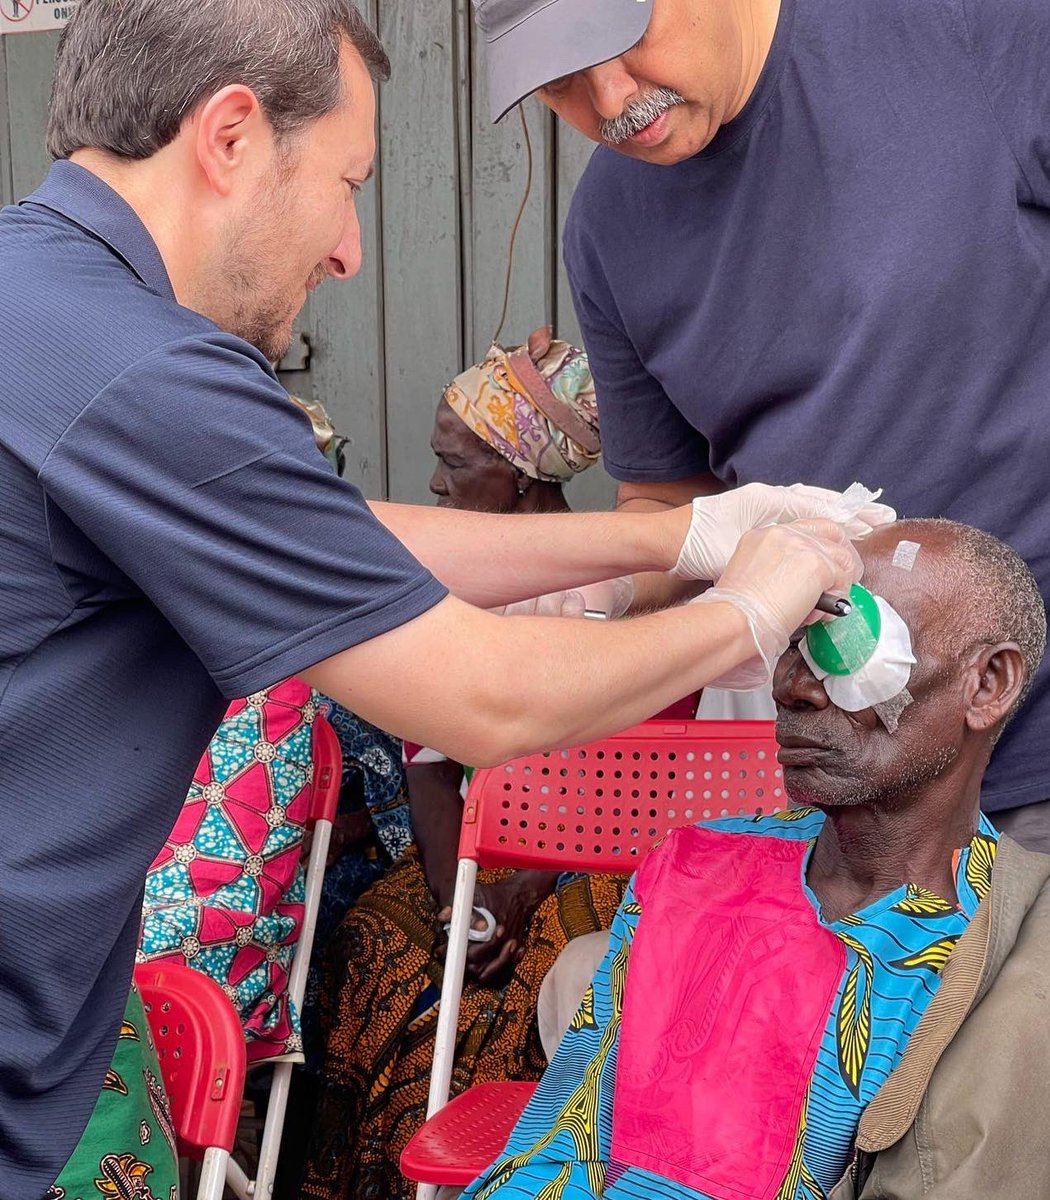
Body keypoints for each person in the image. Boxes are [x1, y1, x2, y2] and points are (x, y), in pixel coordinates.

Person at [0, 1, 892, 1193]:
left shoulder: (39, 293)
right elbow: (482, 700)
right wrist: (747, 609)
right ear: (228, 137)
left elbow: (340, 539)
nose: (348, 250)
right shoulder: (148, 372)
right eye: (348, 181)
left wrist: (687, 527)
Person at [469, 0, 1050, 973]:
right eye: (559, 83)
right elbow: (666, 509)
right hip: (877, 763)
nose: (609, 101)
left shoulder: (955, 26)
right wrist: (596, 593)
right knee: (918, 1108)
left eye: (618, 43)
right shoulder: (605, 230)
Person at [462, 519, 1050, 1200]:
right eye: (793, 638)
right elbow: (559, 1145)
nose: (791, 687)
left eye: (847, 647)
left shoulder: (1033, 985)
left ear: (987, 684)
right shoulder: (694, 870)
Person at [300, 333, 654, 1200]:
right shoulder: (453, 595)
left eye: (454, 465)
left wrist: (520, 893)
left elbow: (620, 787)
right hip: (470, 851)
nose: (433, 486)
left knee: (514, 996)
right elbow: (427, 763)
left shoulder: (615, 593)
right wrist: (454, 895)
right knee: (375, 945)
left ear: (525, 479)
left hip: (585, 861)